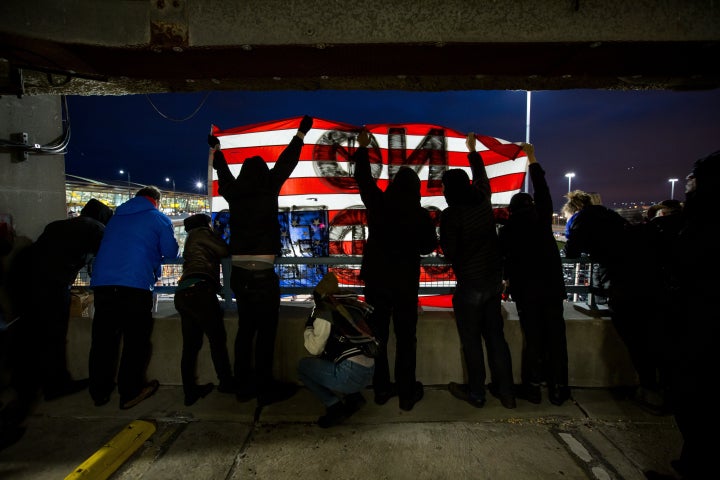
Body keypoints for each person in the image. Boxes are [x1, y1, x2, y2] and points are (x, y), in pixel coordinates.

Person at [208, 114, 313, 406]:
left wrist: (216, 149)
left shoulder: (234, 192)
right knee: (266, 332)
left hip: (239, 274)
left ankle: (244, 387)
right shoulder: (269, 187)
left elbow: (222, 171)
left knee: (245, 330)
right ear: (264, 172)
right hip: (264, 274)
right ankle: (265, 387)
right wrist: (301, 133)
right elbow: (287, 161)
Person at [352, 128, 437, 411]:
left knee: (378, 336)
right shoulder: (420, 215)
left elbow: (363, 179)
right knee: (406, 339)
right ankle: (407, 395)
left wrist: (363, 148)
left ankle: (381, 390)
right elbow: (428, 247)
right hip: (405, 284)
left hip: (376, 282)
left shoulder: (379, 204)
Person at [440, 133, 516, 410]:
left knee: (472, 342)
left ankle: (477, 393)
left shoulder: (451, 214)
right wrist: (472, 151)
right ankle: (507, 393)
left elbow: (448, 251)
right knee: (496, 337)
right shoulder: (483, 200)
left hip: (469, 285)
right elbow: (481, 176)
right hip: (492, 283)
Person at [88, 186, 179, 409]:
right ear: (156, 201)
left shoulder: (116, 218)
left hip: (103, 285)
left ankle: (99, 393)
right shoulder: (158, 218)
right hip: (135, 285)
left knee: (103, 341)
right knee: (135, 342)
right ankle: (130, 392)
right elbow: (171, 252)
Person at [14, 198, 114, 401]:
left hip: (24, 282)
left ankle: (28, 383)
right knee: (54, 335)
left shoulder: (58, 225)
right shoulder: (96, 228)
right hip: (53, 285)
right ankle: (56, 384)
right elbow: (104, 259)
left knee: (33, 334)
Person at [497, 144, 570, 406]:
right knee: (556, 338)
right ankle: (560, 388)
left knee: (534, 339)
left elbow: (502, 260)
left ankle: (533, 387)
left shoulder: (507, 230)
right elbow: (543, 188)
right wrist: (532, 159)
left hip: (527, 292)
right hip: (551, 289)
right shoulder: (541, 219)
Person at [663, 151, 719, 479]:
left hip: (699, 324)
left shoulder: (701, 224)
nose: (686, 186)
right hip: (697, 320)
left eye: (691, 180)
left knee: (694, 401)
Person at [298, 272, 376, 428]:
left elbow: (314, 348)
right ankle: (354, 398)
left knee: (303, 367)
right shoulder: (351, 306)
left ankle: (334, 406)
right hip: (369, 372)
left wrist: (308, 328)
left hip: (349, 374)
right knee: (334, 351)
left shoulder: (325, 311)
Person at [174, 213, 236, 406]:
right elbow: (224, 250)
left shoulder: (191, 238)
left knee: (191, 346)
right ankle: (225, 382)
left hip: (184, 293)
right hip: (200, 293)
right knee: (217, 340)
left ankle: (189, 392)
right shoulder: (202, 233)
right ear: (205, 224)